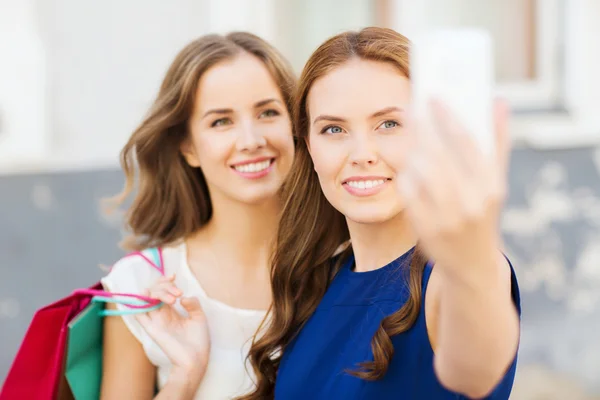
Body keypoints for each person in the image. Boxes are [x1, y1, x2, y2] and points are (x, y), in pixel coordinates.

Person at [243, 27, 521, 400]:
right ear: (308, 146)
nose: (362, 153)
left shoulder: (451, 275)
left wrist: (473, 254)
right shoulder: (314, 279)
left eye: (389, 124)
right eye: (334, 128)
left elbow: (476, 373)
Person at [100, 32, 296, 399]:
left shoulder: (349, 267)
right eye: (221, 121)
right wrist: (185, 376)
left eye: (268, 112)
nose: (251, 139)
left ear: (294, 124)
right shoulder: (139, 286)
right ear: (188, 146)